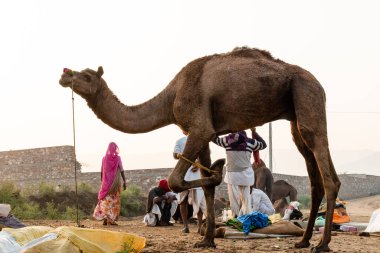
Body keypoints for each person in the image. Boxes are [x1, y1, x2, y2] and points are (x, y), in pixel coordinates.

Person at [213, 129, 267, 217]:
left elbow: (214, 138)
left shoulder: (227, 141)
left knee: (234, 199)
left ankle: (235, 217)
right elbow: (264, 145)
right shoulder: (251, 142)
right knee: (246, 199)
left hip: (232, 175)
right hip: (246, 175)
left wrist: (222, 129)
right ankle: (246, 218)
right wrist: (254, 132)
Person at [173, 130, 207, 233]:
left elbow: (204, 155)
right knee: (183, 201)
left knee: (199, 201)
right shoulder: (180, 141)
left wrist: (198, 163)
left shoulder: (200, 141)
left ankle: (199, 226)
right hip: (184, 173)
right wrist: (179, 155)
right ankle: (186, 226)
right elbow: (175, 155)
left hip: (197, 174)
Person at [93, 142, 127, 226]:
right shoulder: (118, 158)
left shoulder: (104, 158)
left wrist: (103, 182)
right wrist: (124, 181)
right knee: (114, 201)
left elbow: (102, 171)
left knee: (106, 200)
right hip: (115, 184)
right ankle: (110, 219)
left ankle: (106, 218)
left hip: (106, 183)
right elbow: (122, 170)